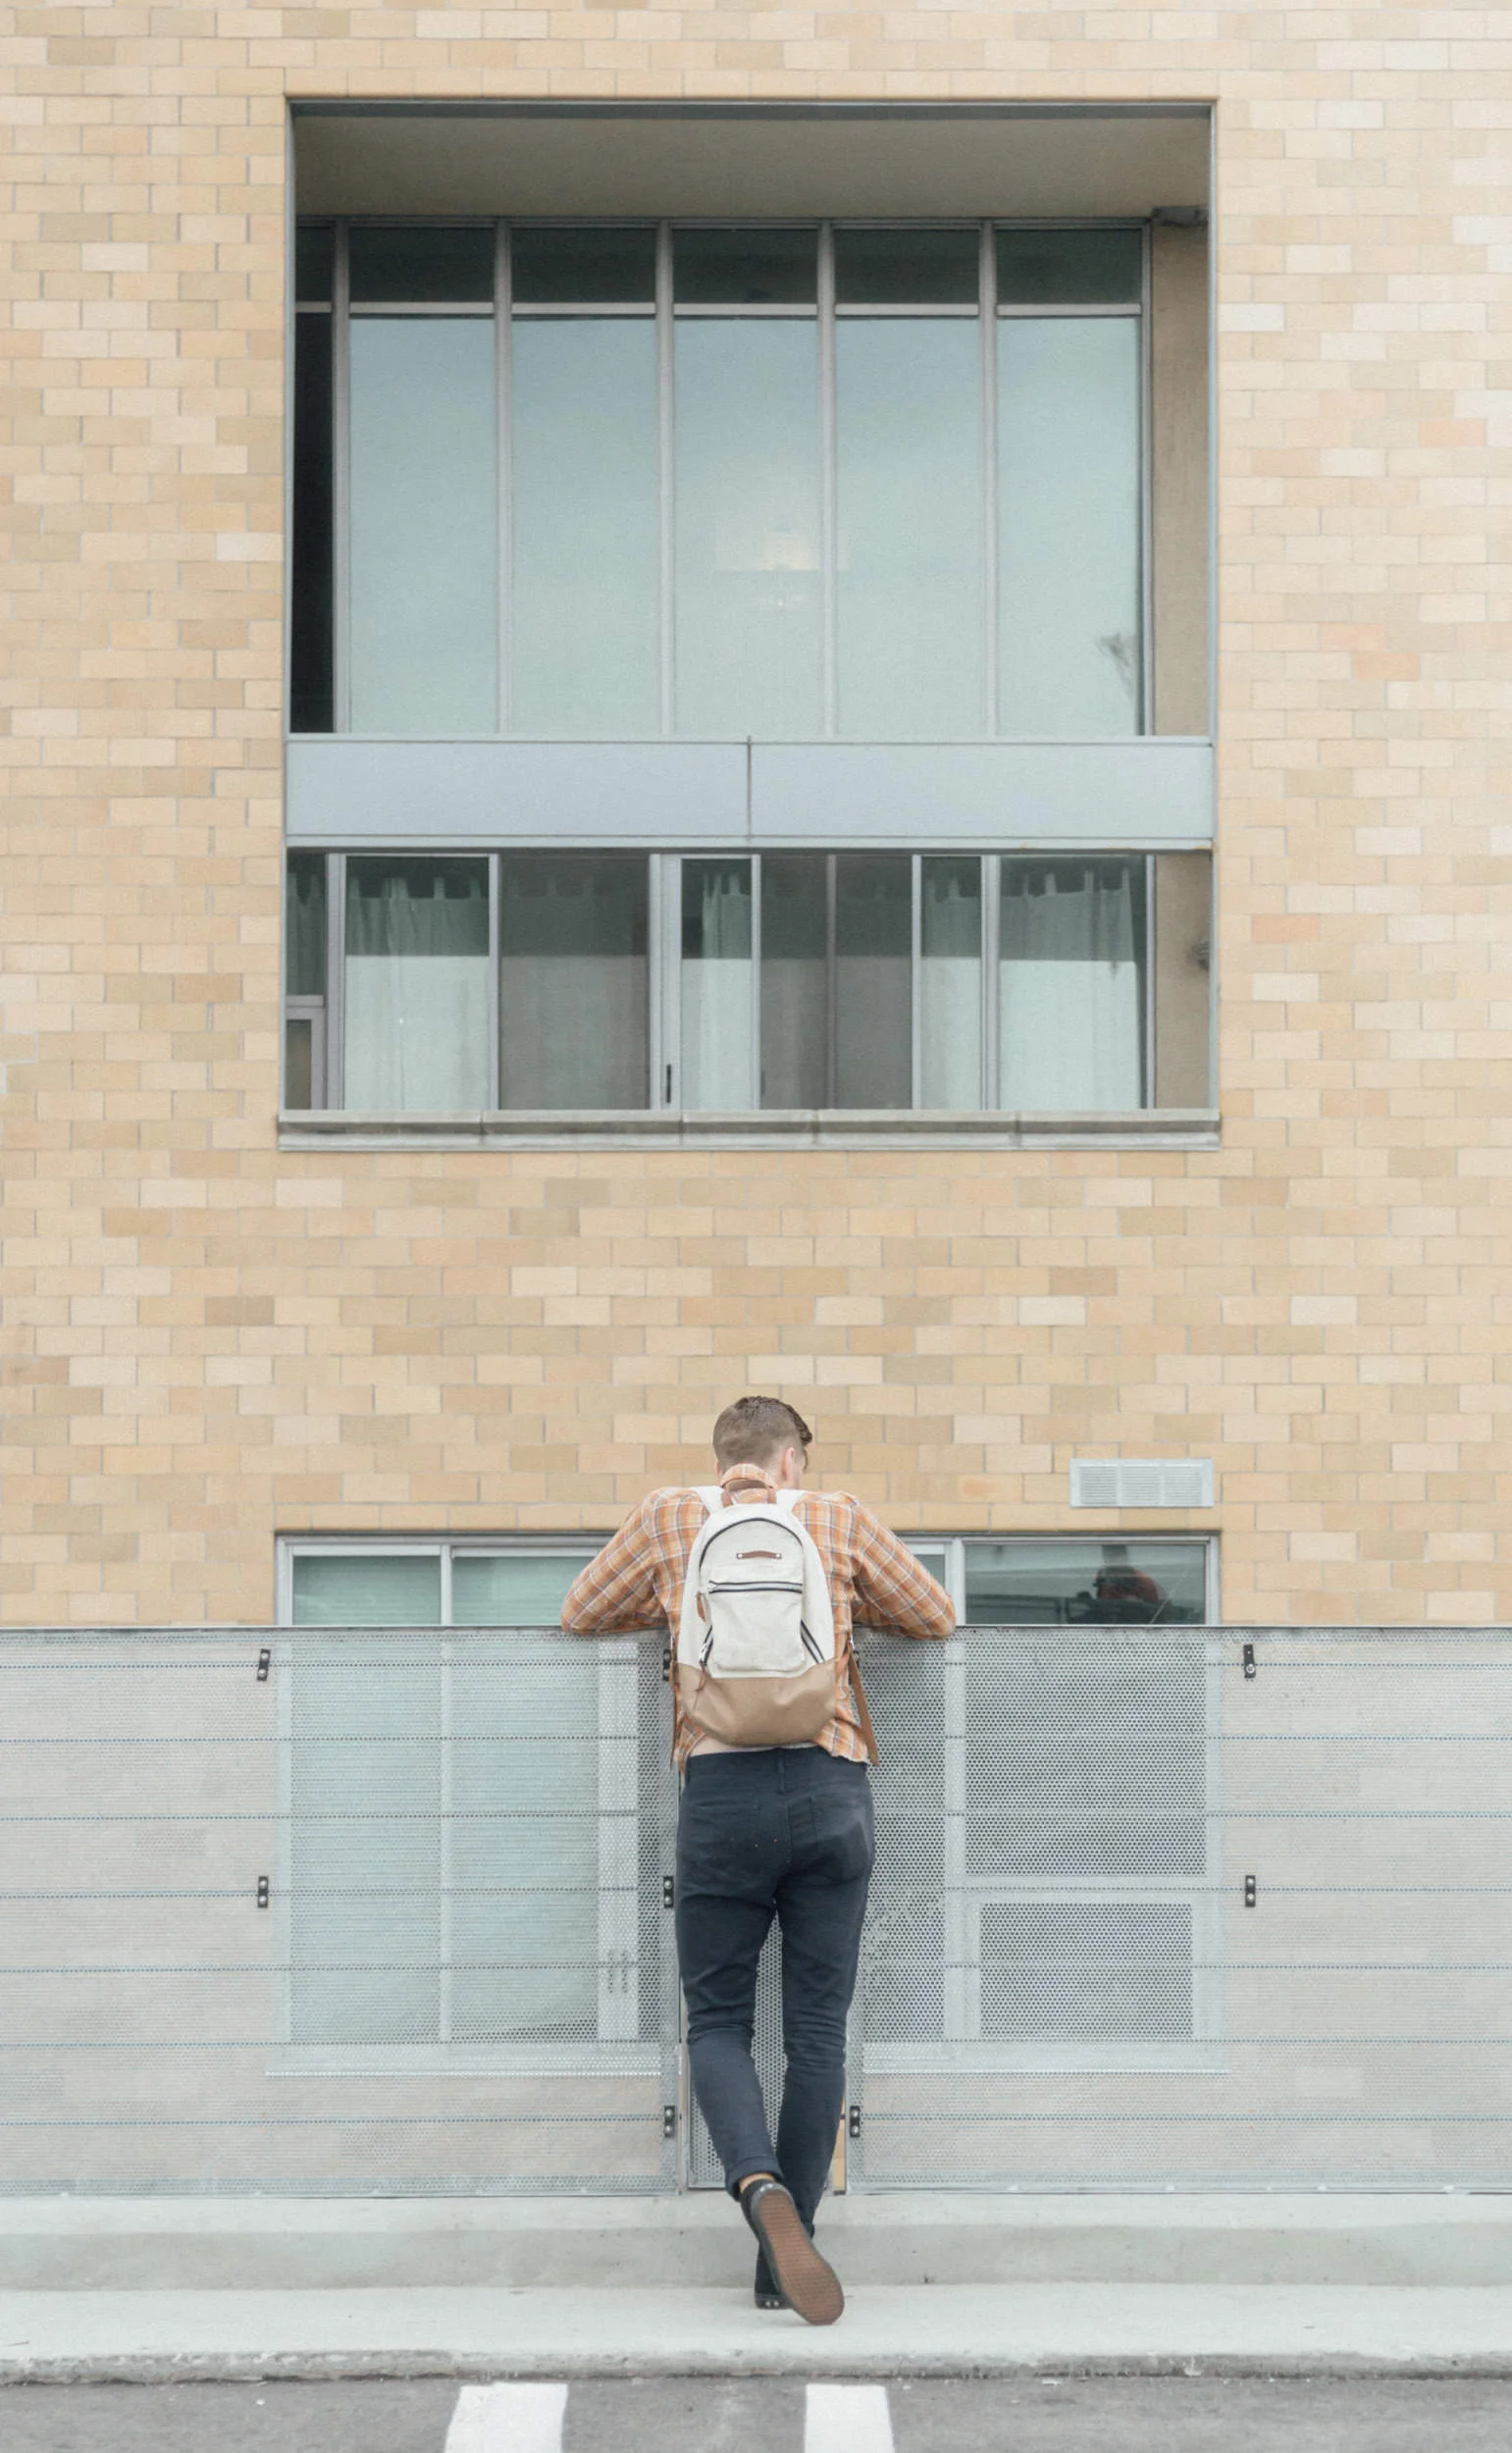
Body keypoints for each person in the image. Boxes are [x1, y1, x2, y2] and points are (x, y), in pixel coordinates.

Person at [560, 1394, 955, 2325]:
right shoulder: (836, 1518)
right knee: (817, 2029)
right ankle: (792, 2250)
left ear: (723, 1456)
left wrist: (672, 1625)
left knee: (718, 2022)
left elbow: (580, 1612)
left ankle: (755, 2188)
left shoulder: (669, 1517)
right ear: (789, 1462)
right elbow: (934, 1616)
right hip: (831, 1788)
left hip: (722, 1795)